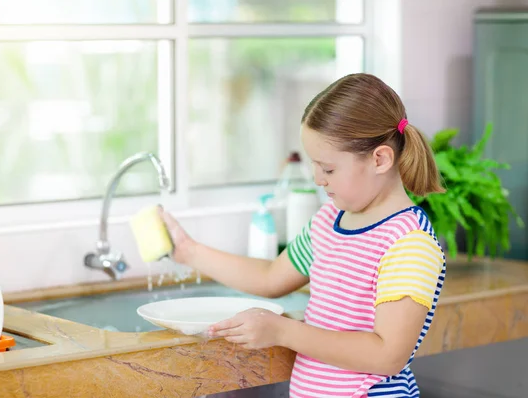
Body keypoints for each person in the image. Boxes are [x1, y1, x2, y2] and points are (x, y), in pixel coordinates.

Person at [161, 73, 446, 398]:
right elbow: (270, 277)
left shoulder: (409, 244)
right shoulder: (329, 221)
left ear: (379, 159)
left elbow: (387, 355)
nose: (317, 180)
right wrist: (188, 251)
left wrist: (283, 331)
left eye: (328, 169)